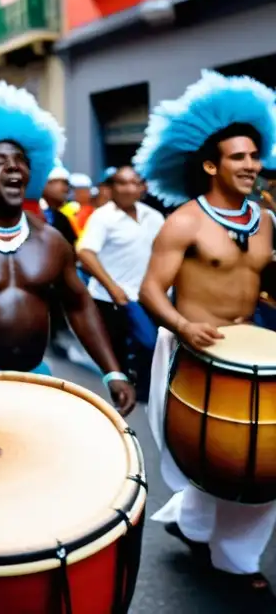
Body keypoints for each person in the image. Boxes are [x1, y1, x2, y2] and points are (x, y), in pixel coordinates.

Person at [0, 83, 136, 413]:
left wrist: (112, 371)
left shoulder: (51, 241)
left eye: (20, 160)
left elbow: (78, 304)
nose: (14, 167)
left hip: (34, 382)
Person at [135, 70, 276, 595]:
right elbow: (150, 290)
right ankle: (210, 538)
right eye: (238, 157)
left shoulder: (264, 220)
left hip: (253, 350)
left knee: (258, 461)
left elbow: (265, 281)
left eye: (255, 156)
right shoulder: (185, 222)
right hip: (192, 349)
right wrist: (182, 325)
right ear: (212, 164)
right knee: (211, 454)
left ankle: (226, 549)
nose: (251, 166)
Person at [76, 165, 164, 401]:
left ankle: (141, 390)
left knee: (148, 344)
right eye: (122, 183)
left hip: (145, 295)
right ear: (111, 188)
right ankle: (122, 394)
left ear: (142, 188)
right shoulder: (103, 217)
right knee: (118, 351)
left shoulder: (153, 216)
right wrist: (112, 287)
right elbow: (85, 253)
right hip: (109, 298)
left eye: (134, 182)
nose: (129, 188)